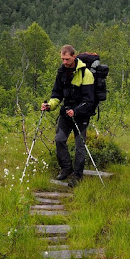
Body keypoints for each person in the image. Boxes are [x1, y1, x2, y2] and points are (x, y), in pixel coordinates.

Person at [41, 45, 95, 187]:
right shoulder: (61, 72)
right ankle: (66, 169)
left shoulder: (86, 74)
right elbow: (56, 95)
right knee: (59, 140)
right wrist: (49, 106)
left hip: (81, 115)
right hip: (66, 113)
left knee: (80, 146)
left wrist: (76, 111)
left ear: (73, 56)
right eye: (62, 59)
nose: (64, 62)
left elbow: (89, 100)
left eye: (67, 59)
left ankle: (77, 176)